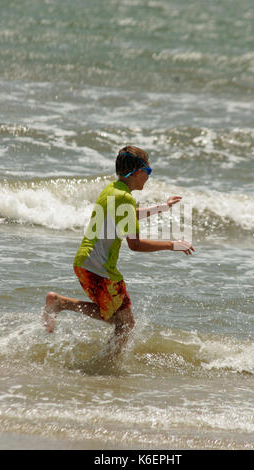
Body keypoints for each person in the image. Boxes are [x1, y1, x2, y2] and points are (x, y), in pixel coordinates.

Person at [43, 145, 194, 356]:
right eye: (149, 172)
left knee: (122, 321)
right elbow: (136, 245)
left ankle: (63, 306)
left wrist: (163, 207)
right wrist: (172, 245)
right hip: (99, 267)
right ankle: (106, 362)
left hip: (86, 261)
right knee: (125, 324)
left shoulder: (113, 190)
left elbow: (128, 213)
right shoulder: (125, 197)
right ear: (138, 171)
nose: (149, 177)